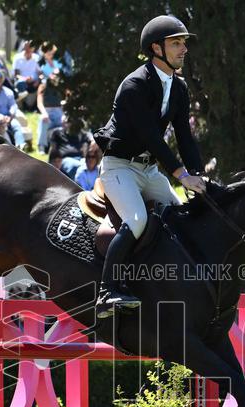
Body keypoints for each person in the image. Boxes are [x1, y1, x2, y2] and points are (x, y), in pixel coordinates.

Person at [92, 15, 205, 317]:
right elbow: (151, 138)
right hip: (120, 168)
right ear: (156, 48)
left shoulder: (179, 88)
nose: (184, 49)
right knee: (137, 219)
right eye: (176, 43)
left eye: (183, 43)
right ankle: (107, 291)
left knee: (181, 217)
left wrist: (198, 175)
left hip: (149, 171)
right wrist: (180, 175)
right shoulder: (135, 84)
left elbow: (184, 135)